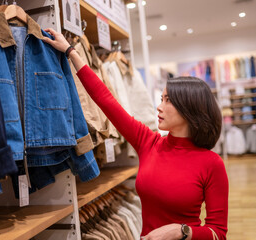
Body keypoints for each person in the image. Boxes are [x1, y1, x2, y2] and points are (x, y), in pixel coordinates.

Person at [42, 28, 229, 240]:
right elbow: (106, 100)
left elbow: (218, 233)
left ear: (189, 109)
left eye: (168, 100)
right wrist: (70, 52)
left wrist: (181, 231)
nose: (159, 107)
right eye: (161, 99)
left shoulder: (212, 164)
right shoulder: (148, 142)